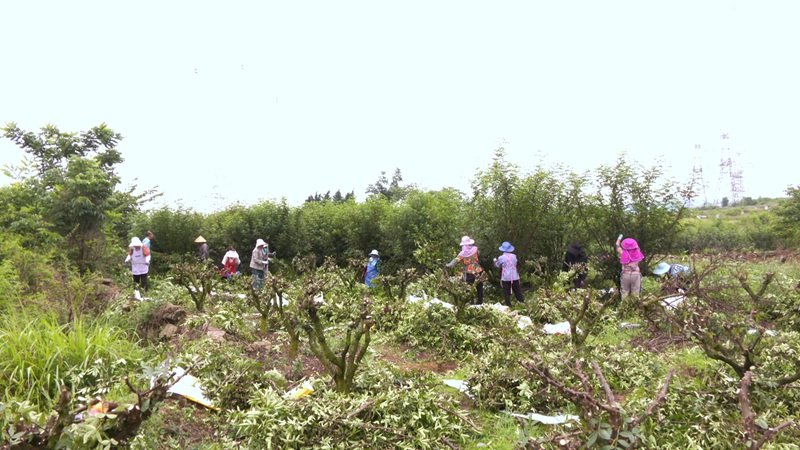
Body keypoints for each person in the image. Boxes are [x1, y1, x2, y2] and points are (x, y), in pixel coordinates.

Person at [446, 236, 484, 305]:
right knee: (479, 287)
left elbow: (455, 261)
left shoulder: (462, 254)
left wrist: (448, 265)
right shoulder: (476, 249)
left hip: (469, 272)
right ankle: (480, 303)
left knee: (469, 288)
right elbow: (479, 254)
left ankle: (471, 304)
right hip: (478, 270)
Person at [493, 241, 524, 307]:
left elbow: (497, 265)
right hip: (515, 276)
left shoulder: (501, 257)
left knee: (506, 293)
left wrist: (495, 261)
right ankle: (522, 304)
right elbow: (515, 264)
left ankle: (509, 306)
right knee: (518, 291)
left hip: (506, 277)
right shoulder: (514, 256)